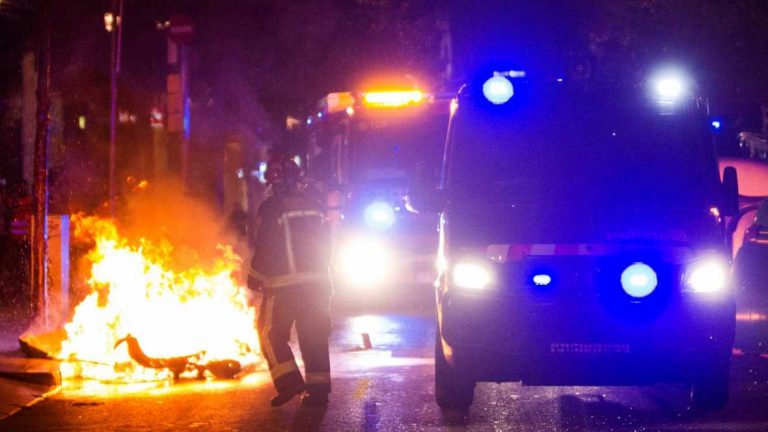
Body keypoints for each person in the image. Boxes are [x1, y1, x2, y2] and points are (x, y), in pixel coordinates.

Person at [247, 156, 333, 407]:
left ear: (273, 181)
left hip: (285, 287)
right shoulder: (315, 205)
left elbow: (266, 245)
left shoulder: (271, 207)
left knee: (269, 333)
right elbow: (326, 243)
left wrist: (254, 277)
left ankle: (289, 382)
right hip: (318, 284)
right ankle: (318, 392)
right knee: (314, 335)